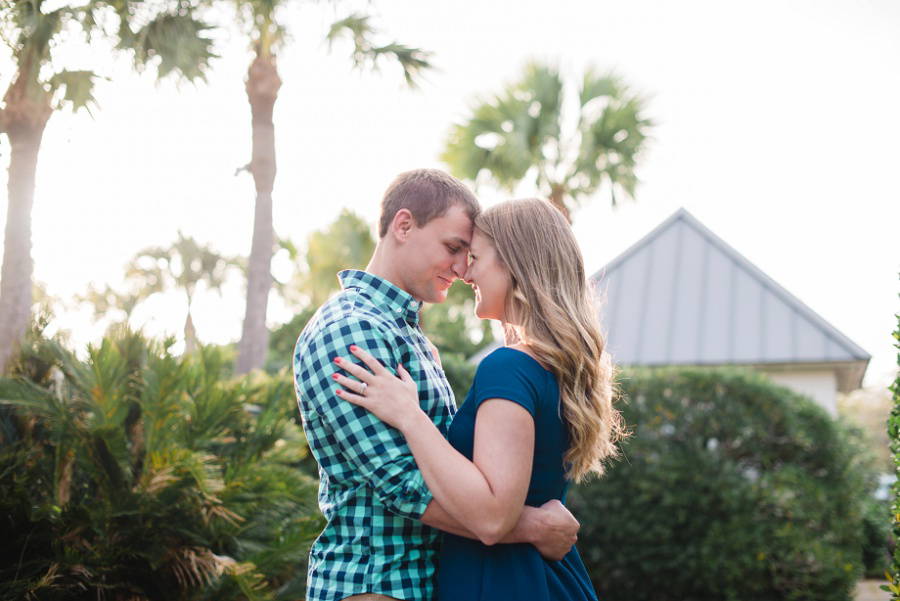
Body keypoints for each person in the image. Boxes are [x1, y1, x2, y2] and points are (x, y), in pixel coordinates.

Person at [293, 171, 581, 601]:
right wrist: (534, 525)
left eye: (469, 254)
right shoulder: (351, 330)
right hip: (377, 584)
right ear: (403, 226)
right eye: (453, 248)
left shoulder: (411, 336)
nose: (463, 268)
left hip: (425, 584)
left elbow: (448, 466)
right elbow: (402, 482)